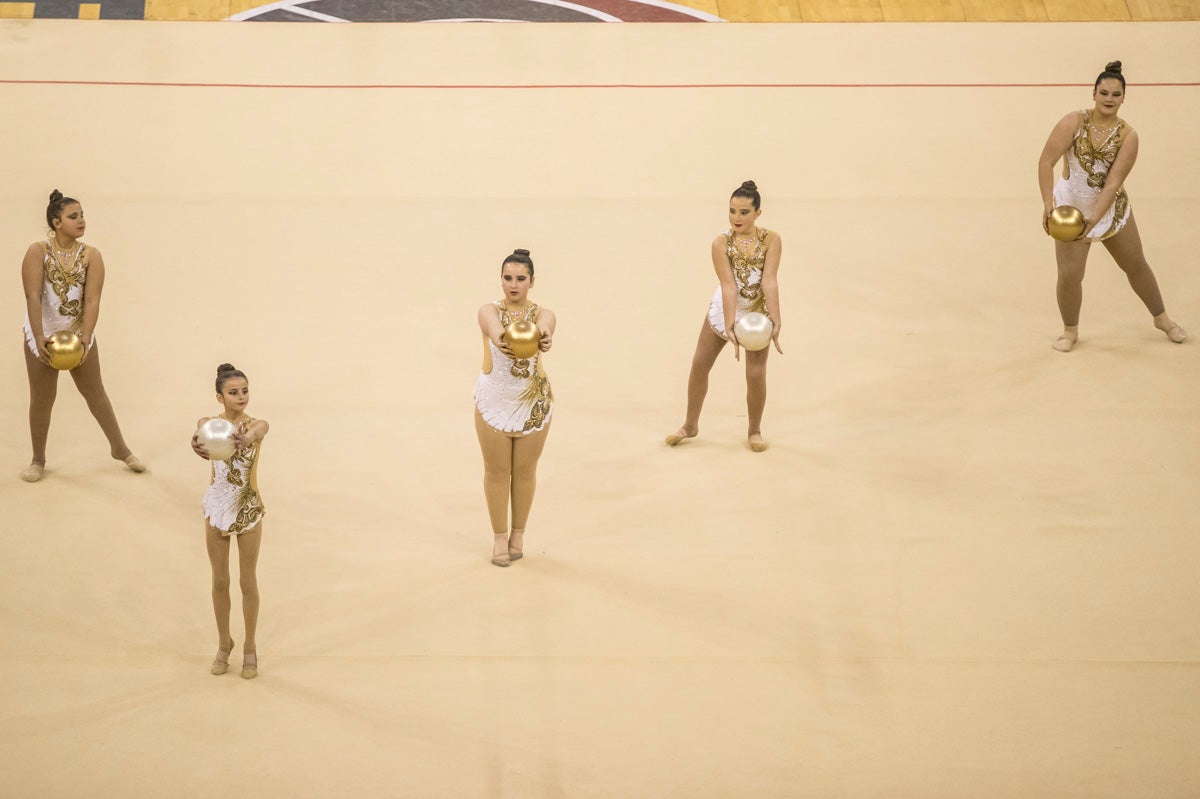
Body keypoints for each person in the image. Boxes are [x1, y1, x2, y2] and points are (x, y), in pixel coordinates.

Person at [1037, 60, 1186, 352]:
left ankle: (1162, 319)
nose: (1109, 99)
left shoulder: (1128, 136)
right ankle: (1070, 330)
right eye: (1104, 93)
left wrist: (1095, 219)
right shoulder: (1073, 122)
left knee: (1136, 266)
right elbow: (1046, 161)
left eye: (1116, 95)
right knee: (1069, 275)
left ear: (1123, 98)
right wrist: (1047, 204)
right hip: (1070, 209)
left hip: (1110, 210)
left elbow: (1112, 183)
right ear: (1093, 93)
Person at [19, 190, 145, 482]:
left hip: (78, 331)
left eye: (82, 215)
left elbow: (92, 299)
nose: (81, 221)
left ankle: (120, 448)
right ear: (56, 222)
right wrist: (38, 335)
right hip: (43, 331)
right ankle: (38, 460)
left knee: (95, 393)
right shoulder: (37, 251)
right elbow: (32, 296)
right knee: (42, 398)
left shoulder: (91, 255)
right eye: (73, 216)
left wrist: (86, 337)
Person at [666, 180, 783, 452]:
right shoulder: (721, 242)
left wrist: (776, 318)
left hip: (756, 312)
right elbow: (728, 285)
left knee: (756, 374)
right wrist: (729, 323)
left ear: (758, 213)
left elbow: (769, 280)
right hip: (725, 306)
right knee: (700, 364)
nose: (736, 218)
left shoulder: (771, 240)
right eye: (732, 211)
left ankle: (754, 431)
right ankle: (690, 424)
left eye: (744, 212)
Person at [474, 249, 556, 567]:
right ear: (501, 280)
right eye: (508, 278)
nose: (513, 284)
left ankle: (518, 535)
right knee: (496, 471)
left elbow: (547, 325)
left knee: (524, 472)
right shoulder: (489, 310)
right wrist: (499, 336)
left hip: (532, 401)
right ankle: (499, 537)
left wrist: (544, 336)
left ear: (532, 282)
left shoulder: (542, 315)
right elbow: (491, 324)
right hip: (495, 399)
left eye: (521, 279)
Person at [191, 363, 269, 679]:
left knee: (247, 581)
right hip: (217, 509)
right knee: (220, 581)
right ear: (219, 397)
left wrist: (245, 438)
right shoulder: (211, 425)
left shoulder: (257, 424)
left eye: (245, 391)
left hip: (247, 507)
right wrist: (196, 440)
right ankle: (224, 643)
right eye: (233, 392)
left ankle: (250, 645)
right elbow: (201, 428)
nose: (241, 397)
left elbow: (258, 432)